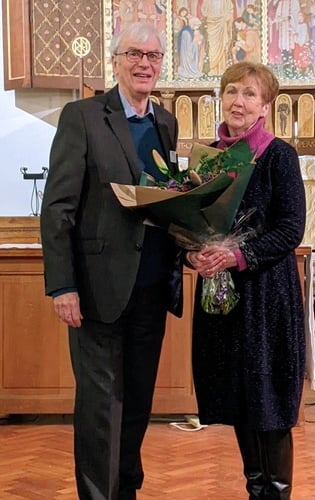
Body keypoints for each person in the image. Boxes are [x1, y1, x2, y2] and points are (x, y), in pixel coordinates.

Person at [40, 22, 183, 500]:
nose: (145, 63)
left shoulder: (166, 123)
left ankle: (127, 493)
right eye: (135, 54)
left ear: (163, 65)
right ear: (116, 60)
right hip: (98, 289)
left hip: (150, 287)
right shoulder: (82, 116)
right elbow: (58, 208)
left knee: (138, 403)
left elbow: (166, 201)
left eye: (154, 56)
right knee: (101, 407)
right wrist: (62, 286)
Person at [186, 61, 306, 499]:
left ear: (265, 106)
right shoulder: (207, 160)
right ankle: (255, 488)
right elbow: (188, 223)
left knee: (268, 405)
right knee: (238, 398)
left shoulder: (278, 155)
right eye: (232, 91)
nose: (239, 101)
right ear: (221, 97)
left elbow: (291, 229)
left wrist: (237, 255)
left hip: (266, 298)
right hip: (223, 298)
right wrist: (193, 250)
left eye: (250, 94)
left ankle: (275, 493)